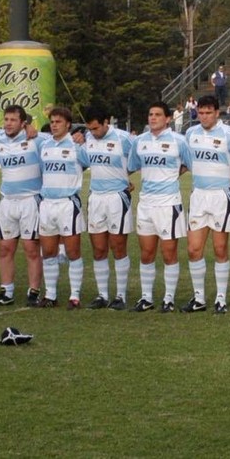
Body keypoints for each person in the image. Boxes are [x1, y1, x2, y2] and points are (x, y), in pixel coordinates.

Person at [127, 102, 192, 313]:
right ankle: (146, 297)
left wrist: (173, 175)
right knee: (146, 253)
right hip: (145, 203)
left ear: (168, 118)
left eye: (157, 115)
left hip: (168, 203)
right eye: (150, 114)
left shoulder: (179, 141)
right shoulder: (140, 141)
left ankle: (169, 298)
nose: (152, 118)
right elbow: (132, 166)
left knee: (169, 253)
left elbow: (189, 164)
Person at [182, 95, 230, 314]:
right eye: (201, 112)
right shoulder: (190, 133)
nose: (204, 116)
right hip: (198, 195)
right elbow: (185, 162)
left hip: (221, 196)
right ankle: (199, 298)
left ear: (217, 113)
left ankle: (221, 298)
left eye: (209, 112)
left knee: (220, 249)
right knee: (193, 249)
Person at [36, 107, 90, 309]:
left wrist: (83, 138)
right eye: (52, 122)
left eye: (58, 122)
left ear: (68, 124)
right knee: (48, 252)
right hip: (47, 203)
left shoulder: (77, 146)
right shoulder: (44, 145)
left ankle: (74, 296)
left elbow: (90, 160)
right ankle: (50, 295)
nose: (54, 125)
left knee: (72, 251)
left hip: (68, 203)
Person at [82, 106, 134, 310]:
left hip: (117, 198)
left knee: (118, 247)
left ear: (106, 123)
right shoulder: (86, 138)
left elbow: (138, 159)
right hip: (95, 198)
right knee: (99, 249)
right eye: (90, 129)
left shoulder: (124, 138)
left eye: (96, 128)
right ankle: (102, 295)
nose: (93, 133)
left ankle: (120, 296)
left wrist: (126, 177)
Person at [0, 105, 45, 306]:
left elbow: (59, 140)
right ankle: (7, 291)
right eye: (6, 119)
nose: (8, 123)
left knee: (31, 248)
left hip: (30, 200)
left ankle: (34, 291)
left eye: (13, 120)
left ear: (23, 123)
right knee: (5, 248)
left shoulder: (37, 140)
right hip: (7, 202)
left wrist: (32, 128)